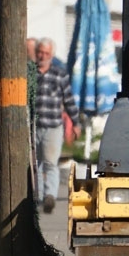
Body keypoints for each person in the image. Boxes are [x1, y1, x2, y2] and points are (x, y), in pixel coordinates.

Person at [35, 38, 81, 213]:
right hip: (34, 126)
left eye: (46, 53)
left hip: (53, 126)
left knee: (50, 162)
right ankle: (37, 198)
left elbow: (68, 100)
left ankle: (50, 196)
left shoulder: (59, 74)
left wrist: (75, 123)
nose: (42, 56)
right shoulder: (30, 73)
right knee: (35, 165)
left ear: (51, 55)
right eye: (40, 52)